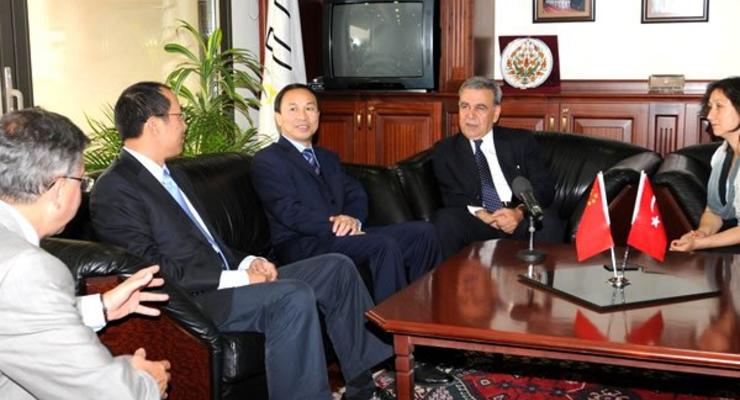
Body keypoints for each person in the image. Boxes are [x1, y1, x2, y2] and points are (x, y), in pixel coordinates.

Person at [89, 81, 392, 400]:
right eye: (179, 115)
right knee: (291, 296)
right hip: (191, 300)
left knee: (336, 268)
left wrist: (250, 261)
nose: (185, 124)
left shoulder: (174, 175)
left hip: (225, 281)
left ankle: (366, 386)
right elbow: (150, 270)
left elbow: (212, 244)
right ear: (154, 124)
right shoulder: (116, 188)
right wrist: (239, 278)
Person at [0, 108, 170, 400]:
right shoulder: (26, 268)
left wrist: (99, 307)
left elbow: (14, 319)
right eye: (82, 181)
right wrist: (147, 381)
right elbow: (111, 395)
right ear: (58, 188)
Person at [250, 83, 443, 303]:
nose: (303, 116)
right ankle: (390, 321)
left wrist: (352, 219)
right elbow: (288, 211)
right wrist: (337, 227)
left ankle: (423, 310)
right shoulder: (268, 160)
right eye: (293, 109)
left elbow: (355, 192)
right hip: (302, 243)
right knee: (382, 245)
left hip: (340, 235)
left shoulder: (327, 157)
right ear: (278, 118)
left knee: (424, 233)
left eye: (309, 108)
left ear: (318, 115)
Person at [431, 76, 558, 258]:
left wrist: (519, 212)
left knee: (548, 221)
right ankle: (451, 277)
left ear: (496, 113)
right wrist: (482, 213)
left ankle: (539, 277)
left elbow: (544, 187)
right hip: (478, 221)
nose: (470, 115)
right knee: (445, 220)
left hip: (518, 217)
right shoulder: (445, 150)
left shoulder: (521, 141)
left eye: (480, 108)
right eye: (465, 106)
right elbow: (451, 196)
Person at [670, 77, 740, 253]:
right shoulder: (721, 154)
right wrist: (701, 233)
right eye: (710, 107)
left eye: (719, 106)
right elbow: (713, 211)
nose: (709, 116)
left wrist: (700, 244)